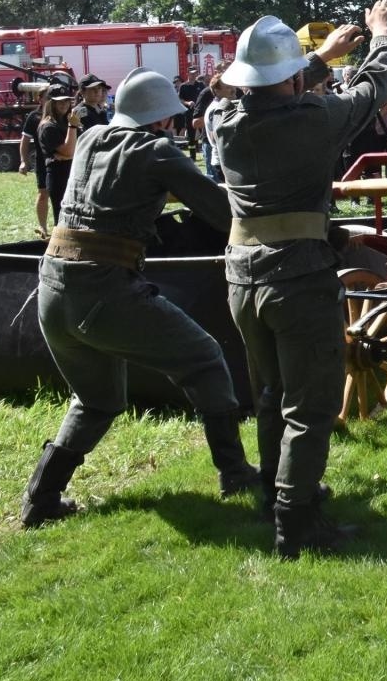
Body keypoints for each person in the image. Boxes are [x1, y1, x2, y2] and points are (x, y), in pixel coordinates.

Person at [18, 68, 255, 529]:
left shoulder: (89, 139)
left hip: (52, 288)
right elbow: (224, 214)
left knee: (96, 400)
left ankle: (40, 498)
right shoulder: (158, 151)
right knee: (205, 359)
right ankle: (235, 473)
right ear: (164, 119)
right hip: (106, 291)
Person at [211, 1, 387, 560]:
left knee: (270, 395)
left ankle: (275, 499)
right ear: (292, 79)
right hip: (299, 279)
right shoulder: (313, 119)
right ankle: (297, 525)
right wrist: (380, 36)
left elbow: (222, 95)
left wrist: (316, 59)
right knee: (310, 405)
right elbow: (374, 88)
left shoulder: (220, 124)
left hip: (242, 277)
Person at [37, 91, 79, 225]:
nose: (64, 104)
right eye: (59, 101)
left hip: (71, 172)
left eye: (66, 101)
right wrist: (72, 126)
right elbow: (68, 150)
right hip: (59, 176)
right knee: (62, 218)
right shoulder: (48, 126)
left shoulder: (65, 121)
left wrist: (69, 155)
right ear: (51, 103)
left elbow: (80, 147)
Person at [18, 100, 50, 237]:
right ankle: (42, 227)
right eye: (47, 96)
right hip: (43, 162)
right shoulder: (34, 117)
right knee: (43, 194)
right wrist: (23, 161)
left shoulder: (64, 114)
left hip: (63, 161)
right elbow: (25, 141)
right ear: (40, 98)